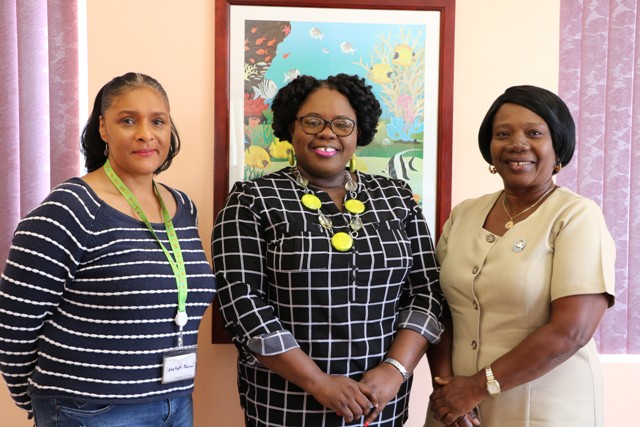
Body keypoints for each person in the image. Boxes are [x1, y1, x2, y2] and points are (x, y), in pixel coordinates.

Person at [212, 73, 445, 427]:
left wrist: (394, 371)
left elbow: (426, 292)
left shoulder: (397, 198)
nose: (327, 133)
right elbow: (242, 304)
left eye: (342, 124)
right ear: (291, 127)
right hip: (286, 406)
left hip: (379, 406)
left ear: (359, 132)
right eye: (313, 121)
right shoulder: (252, 200)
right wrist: (318, 383)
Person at [0, 72, 216, 426]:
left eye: (158, 121)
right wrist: (44, 400)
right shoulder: (71, 208)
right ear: (103, 129)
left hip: (174, 402)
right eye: (128, 120)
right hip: (91, 409)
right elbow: (13, 323)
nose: (146, 133)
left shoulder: (183, 208)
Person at [425, 85, 615, 427]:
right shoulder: (465, 214)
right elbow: (437, 307)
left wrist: (475, 388)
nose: (517, 143)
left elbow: (572, 331)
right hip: (459, 411)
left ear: (558, 145)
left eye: (534, 133)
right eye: (503, 133)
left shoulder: (576, 216)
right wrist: (447, 392)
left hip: (546, 409)